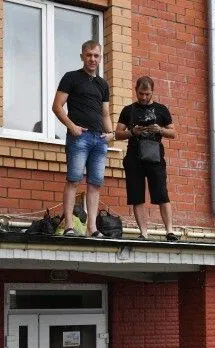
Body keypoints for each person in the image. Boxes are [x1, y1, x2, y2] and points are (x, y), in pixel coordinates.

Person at [52, 40, 114, 237]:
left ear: (100, 58)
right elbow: (57, 106)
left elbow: (105, 114)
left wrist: (111, 134)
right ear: (82, 56)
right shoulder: (71, 78)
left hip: (99, 140)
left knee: (95, 184)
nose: (92, 59)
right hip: (80, 137)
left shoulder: (103, 84)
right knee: (73, 180)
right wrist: (72, 127)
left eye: (96, 56)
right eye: (89, 55)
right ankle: (69, 226)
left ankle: (92, 228)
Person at [115, 76, 178, 241]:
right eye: (141, 94)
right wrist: (132, 132)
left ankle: (170, 231)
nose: (144, 97)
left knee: (162, 194)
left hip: (155, 157)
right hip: (133, 157)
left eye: (147, 94)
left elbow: (173, 133)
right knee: (137, 195)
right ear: (136, 90)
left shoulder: (161, 109)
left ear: (152, 92)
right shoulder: (128, 110)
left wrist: (160, 130)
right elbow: (117, 133)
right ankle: (143, 233)